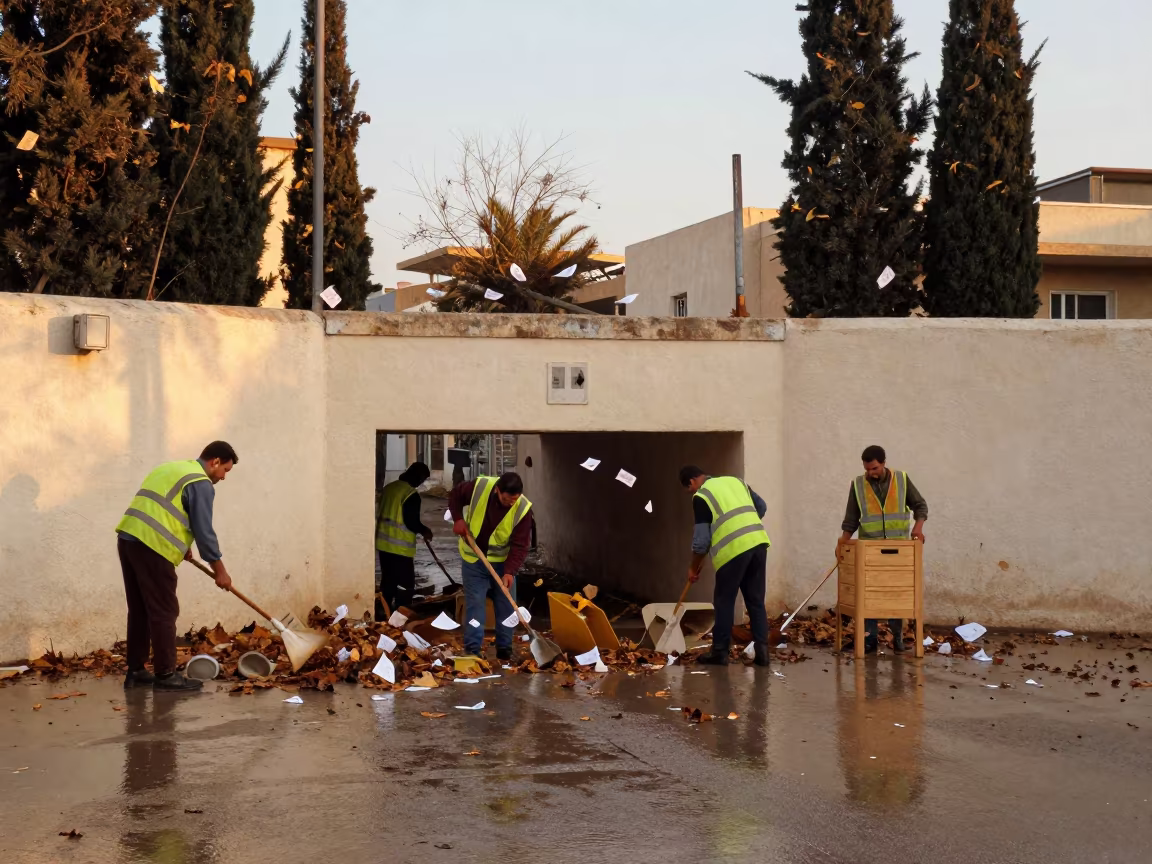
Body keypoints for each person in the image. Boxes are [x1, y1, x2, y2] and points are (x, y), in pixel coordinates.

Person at [116, 441, 236, 691]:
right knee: (164, 611)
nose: (223, 478)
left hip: (129, 539)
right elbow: (204, 531)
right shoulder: (200, 483)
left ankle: (136, 670)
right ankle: (166, 674)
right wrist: (220, 571)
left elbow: (163, 511)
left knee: (139, 609)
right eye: (225, 470)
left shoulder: (171, 468)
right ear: (214, 462)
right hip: (152, 546)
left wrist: (180, 546)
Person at [838, 444, 929, 653]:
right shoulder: (858, 484)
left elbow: (920, 506)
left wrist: (918, 528)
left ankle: (897, 639)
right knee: (868, 596)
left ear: (884, 464)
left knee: (895, 595)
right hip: (869, 552)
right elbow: (851, 518)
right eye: (867, 469)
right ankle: (869, 641)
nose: (870, 473)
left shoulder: (902, 480)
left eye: (875, 469)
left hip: (898, 551)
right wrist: (842, 543)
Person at [680, 466, 772, 667]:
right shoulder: (736, 481)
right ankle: (762, 653)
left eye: (690, 489)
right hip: (758, 544)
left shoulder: (701, 496)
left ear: (692, 482)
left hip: (733, 551)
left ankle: (720, 653)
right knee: (756, 600)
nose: (692, 493)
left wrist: (693, 567)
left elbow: (701, 541)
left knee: (724, 600)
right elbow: (762, 507)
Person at [448, 472, 533, 662]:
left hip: (503, 563)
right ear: (497, 490)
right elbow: (455, 495)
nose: (511, 503)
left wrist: (510, 571)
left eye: (515, 499)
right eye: (506, 499)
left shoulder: (523, 509)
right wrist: (458, 519)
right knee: (475, 605)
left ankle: (505, 650)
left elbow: (520, 545)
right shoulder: (479, 487)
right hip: (473, 560)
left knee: (506, 607)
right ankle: (473, 651)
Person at [375, 462, 433, 617]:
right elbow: (411, 522)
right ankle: (401, 615)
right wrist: (425, 530)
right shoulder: (410, 495)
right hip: (400, 548)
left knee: (388, 581)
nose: (421, 484)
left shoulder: (389, 488)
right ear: (417, 477)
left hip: (383, 544)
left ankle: (383, 613)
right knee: (406, 585)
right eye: (422, 480)